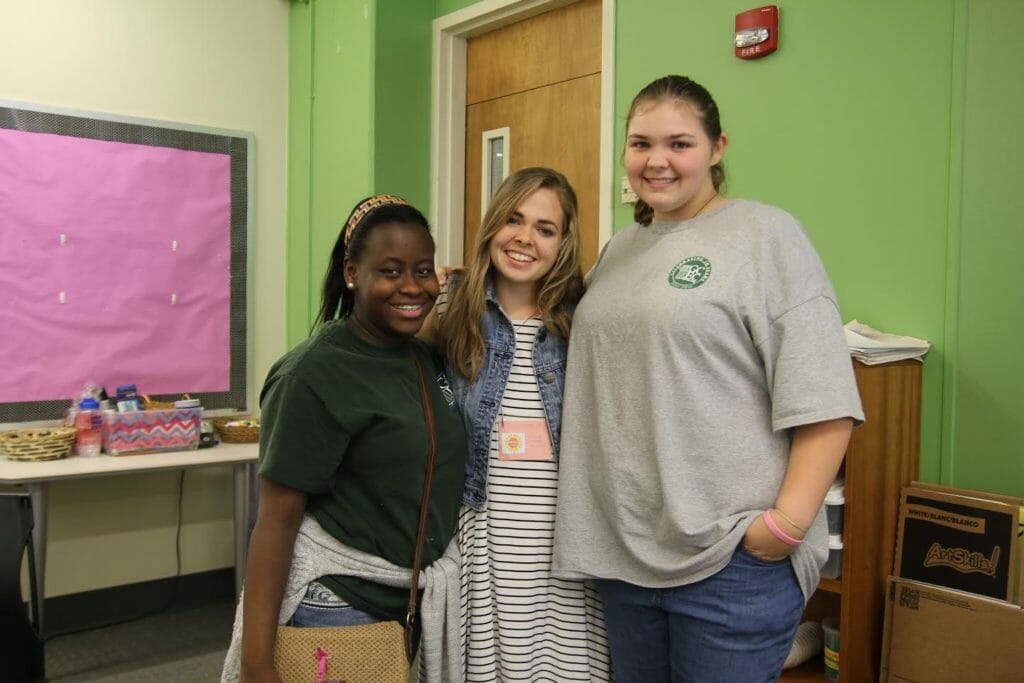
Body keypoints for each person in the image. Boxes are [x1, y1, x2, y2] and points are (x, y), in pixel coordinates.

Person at [551, 75, 865, 682]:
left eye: (680, 143)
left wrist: (785, 527)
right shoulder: (621, 249)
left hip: (729, 562)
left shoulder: (765, 236)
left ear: (718, 148)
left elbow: (825, 396)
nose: (657, 160)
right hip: (625, 556)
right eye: (640, 143)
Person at [222, 195, 467, 683]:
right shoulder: (312, 375)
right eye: (391, 271)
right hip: (339, 605)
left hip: (408, 604)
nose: (412, 287)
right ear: (353, 272)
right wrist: (256, 664)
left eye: (423, 270)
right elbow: (274, 522)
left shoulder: (421, 357)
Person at [433, 167, 612, 681]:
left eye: (544, 228)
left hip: (562, 535)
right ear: (492, 224)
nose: (524, 238)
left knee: (565, 666)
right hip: (481, 534)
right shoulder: (450, 308)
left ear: (563, 242)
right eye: (513, 219)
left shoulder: (582, 318)